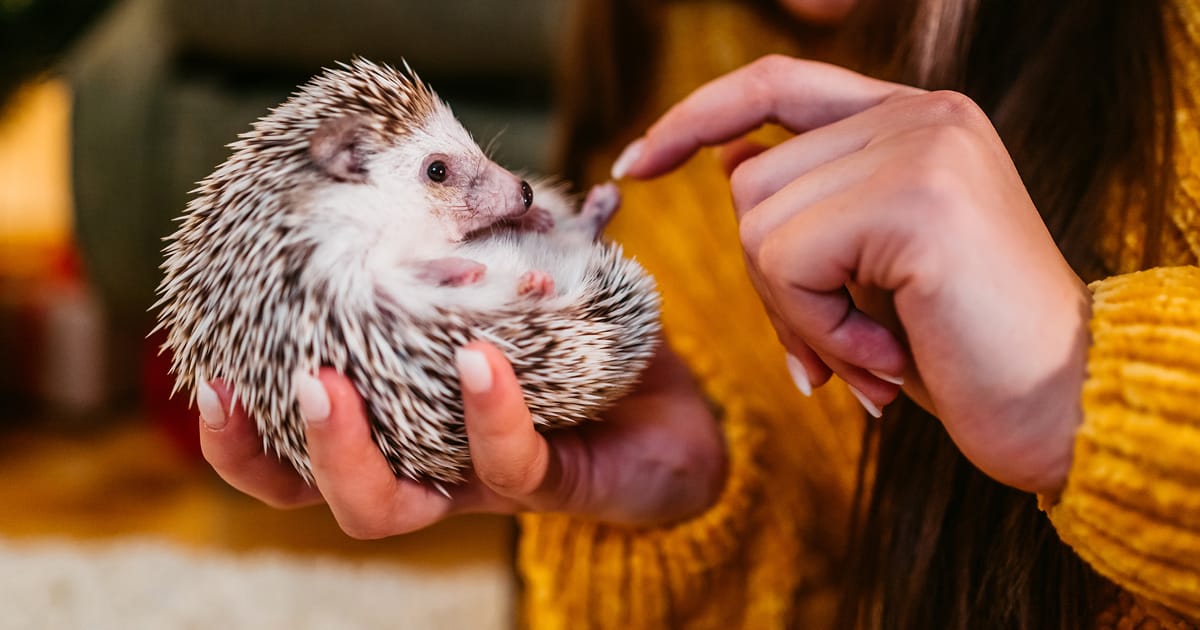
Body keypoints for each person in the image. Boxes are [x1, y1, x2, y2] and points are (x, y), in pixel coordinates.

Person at [196, 0, 1200, 627]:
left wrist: (1087, 396)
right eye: (447, 173)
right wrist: (688, 500)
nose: (499, 191)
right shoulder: (662, 95)